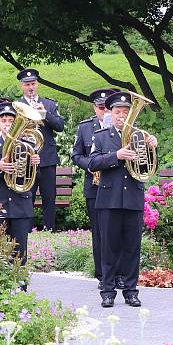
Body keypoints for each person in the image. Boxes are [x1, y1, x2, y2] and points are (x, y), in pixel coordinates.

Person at [89, 91, 157, 308]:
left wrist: (152, 147)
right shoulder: (101, 136)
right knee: (108, 248)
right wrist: (116, 156)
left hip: (133, 197)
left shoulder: (141, 136)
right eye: (117, 112)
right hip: (108, 199)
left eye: (125, 113)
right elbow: (92, 163)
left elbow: (147, 168)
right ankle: (108, 291)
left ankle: (131, 291)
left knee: (132, 248)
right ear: (111, 113)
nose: (121, 116)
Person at [0, 102, 39, 265]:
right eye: (3, 120)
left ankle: (21, 288)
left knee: (20, 252)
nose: (7, 124)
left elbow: (32, 178)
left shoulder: (28, 146)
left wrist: (34, 163)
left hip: (21, 204)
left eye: (11, 120)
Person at [72, 88, 120, 290]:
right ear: (95, 108)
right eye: (101, 108)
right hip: (94, 186)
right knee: (100, 232)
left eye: (107, 108)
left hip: (116, 186)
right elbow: (76, 155)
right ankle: (103, 275)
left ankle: (119, 274)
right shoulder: (85, 128)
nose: (104, 112)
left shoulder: (122, 127)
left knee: (117, 232)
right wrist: (91, 166)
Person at [17, 68, 66, 231]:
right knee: (26, 195)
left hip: (47, 157)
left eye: (33, 84)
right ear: (22, 86)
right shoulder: (16, 106)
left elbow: (60, 126)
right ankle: (26, 230)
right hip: (25, 158)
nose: (31, 87)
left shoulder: (49, 104)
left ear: (37, 85)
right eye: (27, 84)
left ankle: (49, 229)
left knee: (49, 196)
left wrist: (44, 114)